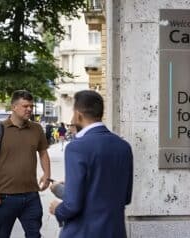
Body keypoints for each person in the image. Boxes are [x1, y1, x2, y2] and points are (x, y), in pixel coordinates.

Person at [49, 90, 133, 238]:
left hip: (83, 232)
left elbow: (72, 205)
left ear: (78, 114)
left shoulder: (76, 148)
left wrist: (57, 209)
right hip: (114, 232)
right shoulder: (123, 146)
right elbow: (125, 196)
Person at [0, 90, 51, 238]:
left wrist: (47, 174)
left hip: (31, 196)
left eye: (31, 106)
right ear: (14, 107)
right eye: (25, 106)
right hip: (4, 197)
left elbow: (43, 152)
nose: (29, 109)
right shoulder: (0, 129)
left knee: (34, 235)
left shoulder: (37, 128)